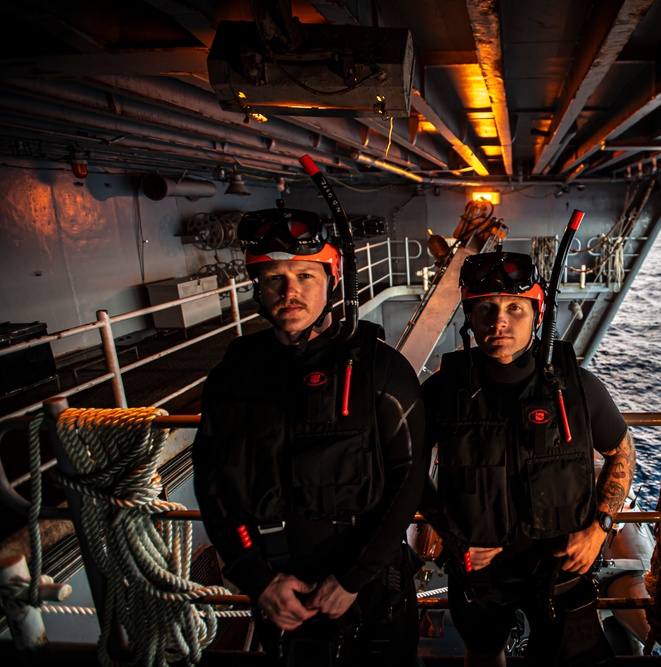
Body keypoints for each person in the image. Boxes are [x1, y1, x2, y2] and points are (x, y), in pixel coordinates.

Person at [192, 202, 426, 666]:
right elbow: (214, 481)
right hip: (281, 598)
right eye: (275, 278)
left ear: (332, 280)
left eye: (306, 277)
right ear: (257, 286)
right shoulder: (235, 374)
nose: (290, 291)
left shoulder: (381, 370)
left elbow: (410, 479)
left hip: (371, 591)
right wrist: (258, 580)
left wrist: (354, 576)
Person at [420, 251, 636, 666]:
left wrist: (599, 528)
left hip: (561, 566)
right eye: (485, 307)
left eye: (514, 308)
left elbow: (621, 451)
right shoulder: (442, 392)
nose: (498, 321)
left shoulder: (577, 388)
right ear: (469, 314)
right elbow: (407, 471)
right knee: (483, 653)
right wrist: (453, 536)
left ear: (537, 315)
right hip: (479, 572)